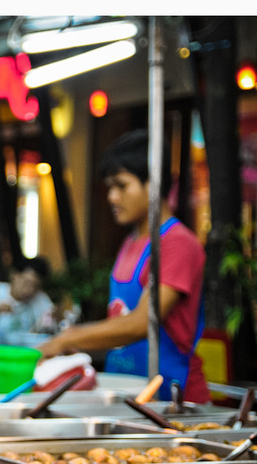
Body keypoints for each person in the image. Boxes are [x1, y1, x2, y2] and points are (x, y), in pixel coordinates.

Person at [38, 129, 209, 403]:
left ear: (152, 184)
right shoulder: (131, 242)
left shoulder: (177, 243)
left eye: (121, 185)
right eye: (109, 187)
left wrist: (69, 338)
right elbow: (119, 320)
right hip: (127, 391)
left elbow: (142, 322)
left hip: (172, 399)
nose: (112, 197)